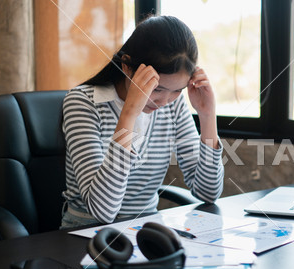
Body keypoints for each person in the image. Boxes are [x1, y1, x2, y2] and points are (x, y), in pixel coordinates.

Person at [60, 15, 224, 228]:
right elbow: (102, 210)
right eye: (156, 89)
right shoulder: (82, 103)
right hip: (86, 236)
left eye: (177, 90)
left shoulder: (173, 105)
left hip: (144, 235)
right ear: (127, 67)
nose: (164, 102)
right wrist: (129, 113)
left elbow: (208, 192)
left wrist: (207, 115)